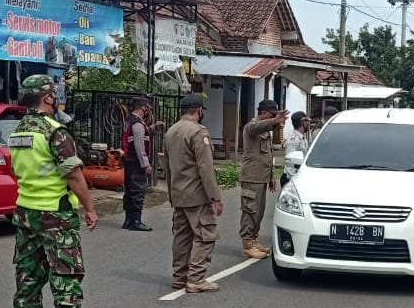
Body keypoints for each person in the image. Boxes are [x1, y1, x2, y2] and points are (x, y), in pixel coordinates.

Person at [7, 74, 104, 308]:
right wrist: (90, 208)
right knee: (65, 269)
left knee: (28, 266)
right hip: (55, 212)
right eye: (55, 93)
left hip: (26, 209)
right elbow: (73, 175)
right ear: (48, 97)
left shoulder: (17, 132)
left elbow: (17, 171)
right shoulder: (54, 132)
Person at [162, 94, 224, 293]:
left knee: (182, 236)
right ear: (198, 110)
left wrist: (172, 194)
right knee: (206, 235)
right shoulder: (198, 132)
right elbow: (205, 168)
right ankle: (196, 278)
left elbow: (167, 167)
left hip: (179, 193)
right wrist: (215, 196)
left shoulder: (171, 132)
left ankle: (179, 276)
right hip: (197, 195)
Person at [239, 99, 288, 259]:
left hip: (262, 177)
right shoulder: (251, 127)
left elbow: (268, 154)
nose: (274, 119)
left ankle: (254, 239)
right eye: (272, 115)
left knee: (259, 212)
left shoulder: (265, 131)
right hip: (252, 177)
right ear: (264, 113)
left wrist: (271, 175)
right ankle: (247, 244)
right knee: (250, 211)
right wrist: (274, 121)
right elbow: (255, 128)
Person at [120, 97, 164, 232]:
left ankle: (128, 220)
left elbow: (142, 135)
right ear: (142, 107)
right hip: (136, 162)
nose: (147, 111)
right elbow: (139, 146)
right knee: (137, 191)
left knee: (129, 191)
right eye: (147, 108)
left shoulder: (130, 121)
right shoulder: (137, 124)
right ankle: (136, 221)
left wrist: (154, 128)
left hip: (129, 161)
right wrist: (146, 164)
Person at [281, 111, 310, 188]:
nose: (308, 124)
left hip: (298, 176)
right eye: (306, 122)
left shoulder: (302, 138)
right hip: (291, 179)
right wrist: (294, 184)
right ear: (303, 122)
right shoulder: (294, 140)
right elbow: (291, 165)